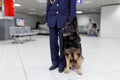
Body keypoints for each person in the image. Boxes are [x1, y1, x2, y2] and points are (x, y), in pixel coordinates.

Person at [45, 0, 76, 73]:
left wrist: (72, 21)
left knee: (63, 43)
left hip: (64, 20)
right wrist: (46, 20)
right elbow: (48, 6)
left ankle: (62, 63)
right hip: (52, 19)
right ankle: (54, 62)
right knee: (52, 43)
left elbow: (72, 7)